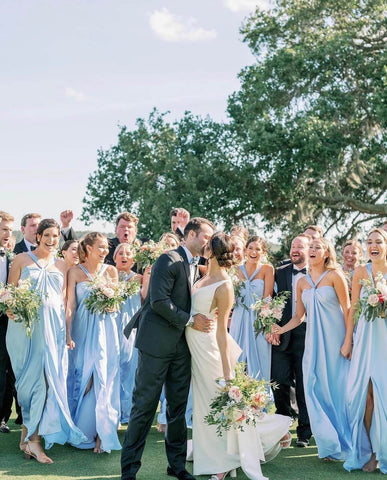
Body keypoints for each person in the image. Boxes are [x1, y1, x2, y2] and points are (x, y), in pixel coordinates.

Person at [186, 232, 291, 480]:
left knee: (222, 404)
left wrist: (227, 372)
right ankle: (211, 454)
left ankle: (228, 460)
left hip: (210, 352)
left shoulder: (224, 285)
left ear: (211, 251)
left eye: (206, 245)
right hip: (194, 350)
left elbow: (222, 332)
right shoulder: (200, 277)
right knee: (203, 407)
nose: (202, 246)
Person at [121, 217, 215, 480]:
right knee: (144, 406)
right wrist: (189, 320)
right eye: (207, 237)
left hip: (183, 348)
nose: (209, 242)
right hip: (156, 344)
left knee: (177, 409)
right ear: (192, 235)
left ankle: (177, 467)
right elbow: (158, 301)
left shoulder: (200, 265)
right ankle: (128, 471)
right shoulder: (168, 259)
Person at [6, 219, 85, 463]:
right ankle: (29, 434)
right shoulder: (21, 260)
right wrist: (10, 307)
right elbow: (9, 292)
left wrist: (67, 334)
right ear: (38, 236)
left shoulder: (62, 265)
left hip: (53, 331)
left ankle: (34, 442)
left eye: (56, 236)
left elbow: (64, 302)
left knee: (46, 382)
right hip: (24, 329)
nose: (52, 240)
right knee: (27, 382)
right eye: (48, 235)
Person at [273, 238, 352, 460]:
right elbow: (299, 316)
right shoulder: (301, 283)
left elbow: (347, 311)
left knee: (336, 389)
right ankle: (329, 444)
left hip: (336, 340)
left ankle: (345, 441)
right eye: (312, 247)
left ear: (327, 253)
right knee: (314, 389)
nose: (313, 250)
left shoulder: (335, 276)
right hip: (313, 342)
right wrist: (280, 329)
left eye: (318, 247)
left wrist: (348, 341)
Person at [66, 233, 121, 454]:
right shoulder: (75, 272)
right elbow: (71, 304)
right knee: (84, 377)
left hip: (106, 330)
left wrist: (111, 304)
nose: (105, 251)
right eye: (100, 247)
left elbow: (117, 304)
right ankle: (83, 427)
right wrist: (68, 333)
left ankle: (102, 433)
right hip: (82, 331)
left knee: (104, 376)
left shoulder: (111, 271)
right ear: (87, 248)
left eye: (106, 247)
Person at [343, 228, 387, 474]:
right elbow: (353, 309)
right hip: (365, 340)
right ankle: (371, 453)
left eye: (378, 242)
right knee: (366, 397)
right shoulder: (360, 272)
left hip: (385, 341)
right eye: (369, 242)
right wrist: (348, 341)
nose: (373, 245)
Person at [270, 234, 312, 447]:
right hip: (283, 334)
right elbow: (270, 301)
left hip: (308, 335)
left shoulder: (316, 272)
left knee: (305, 384)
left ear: (308, 250)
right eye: (293, 246)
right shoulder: (280, 272)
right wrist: (271, 327)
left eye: (300, 247)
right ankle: (282, 427)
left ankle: (304, 432)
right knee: (278, 381)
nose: (295, 249)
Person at [229, 236, 274, 380]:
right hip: (238, 318)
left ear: (263, 252)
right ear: (245, 250)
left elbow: (267, 300)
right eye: (250, 248)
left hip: (258, 320)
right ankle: (235, 397)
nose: (253, 252)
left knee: (261, 360)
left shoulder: (267, 269)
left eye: (258, 249)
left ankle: (260, 398)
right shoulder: (235, 269)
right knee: (236, 359)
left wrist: (267, 326)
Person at [113, 243, 142, 424]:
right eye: (120, 253)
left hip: (132, 326)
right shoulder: (107, 276)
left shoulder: (140, 278)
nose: (124, 256)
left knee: (131, 370)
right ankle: (112, 412)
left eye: (128, 253)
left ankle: (128, 413)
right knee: (112, 370)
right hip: (112, 325)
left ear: (134, 258)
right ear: (114, 257)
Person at [0, 211, 18, 433]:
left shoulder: (10, 257)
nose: (8, 234)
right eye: (5, 229)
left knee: (7, 370)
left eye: (10, 230)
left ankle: (3, 417)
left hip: (7, 321)